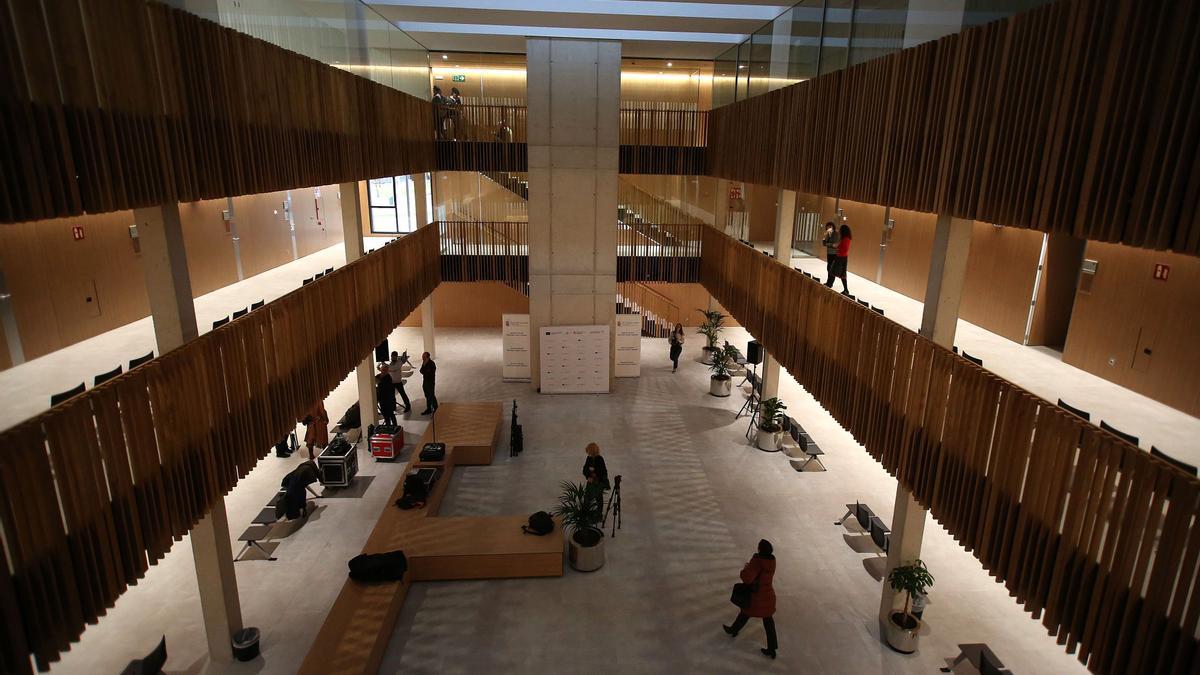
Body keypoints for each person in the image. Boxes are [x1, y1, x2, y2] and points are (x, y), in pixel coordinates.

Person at [723, 539, 779, 659]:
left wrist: (745, 569)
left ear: (760, 549)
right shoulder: (771, 561)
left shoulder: (758, 562)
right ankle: (772, 649)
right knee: (768, 622)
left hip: (756, 597)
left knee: (745, 613)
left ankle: (733, 630)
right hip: (768, 597)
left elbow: (747, 578)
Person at [582, 442, 609, 518]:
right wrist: (588, 476)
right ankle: (585, 515)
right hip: (591, 481)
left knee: (599, 499)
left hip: (598, 483)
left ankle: (599, 515)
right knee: (587, 498)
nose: (588, 452)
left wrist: (594, 472)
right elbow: (584, 470)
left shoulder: (600, 459)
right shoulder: (589, 458)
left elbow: (603, 472)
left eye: (589, 450)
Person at [825, 223, 851, 294]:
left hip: (841, 257)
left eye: (840, 230)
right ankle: (845, 289)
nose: (839, 231)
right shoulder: (844, 238)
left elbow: (844, 248)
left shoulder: (846, 239)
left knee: (834, 272)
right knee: (839, 273)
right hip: (841, 257)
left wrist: (836, 247)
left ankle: (830, 285)